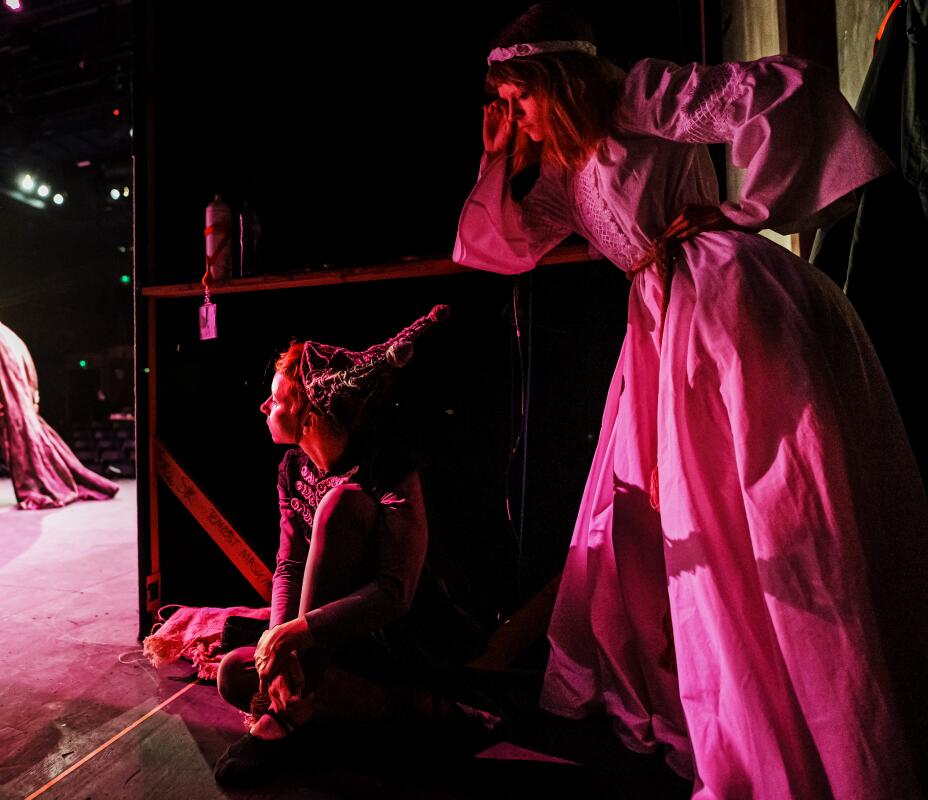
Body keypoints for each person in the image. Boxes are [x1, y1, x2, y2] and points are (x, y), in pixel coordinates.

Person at [453, 4, 928, 798]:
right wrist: (497, 158)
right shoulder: (569, 174)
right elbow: (502, 246)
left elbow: (782, 90)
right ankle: (737, 702)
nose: (516, 116)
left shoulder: (635, 97)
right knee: (664, 524)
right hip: (662, 328)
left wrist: (742, 212)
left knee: (765, 506)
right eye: (504, 104)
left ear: (554, 81)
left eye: (519, 98)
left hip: (721, 304)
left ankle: (823, 718)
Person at [213, 305, 486, 786]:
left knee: (339, 505)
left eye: (275, 399)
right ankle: (353, 714)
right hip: (339, 652)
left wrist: (296, 634)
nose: (264, 407)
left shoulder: (389, 465)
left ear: (308, 411)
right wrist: (276, 644)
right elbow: (288, 565)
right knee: (235, 672)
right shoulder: (293, 469)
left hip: (395, 642)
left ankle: (305, 719)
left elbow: (395, 592)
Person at [0, 297, 119, 510]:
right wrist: (33, 397)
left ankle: (39, 485)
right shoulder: (11, 335)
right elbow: (29, 367)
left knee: (16, 445)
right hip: (17, 399)